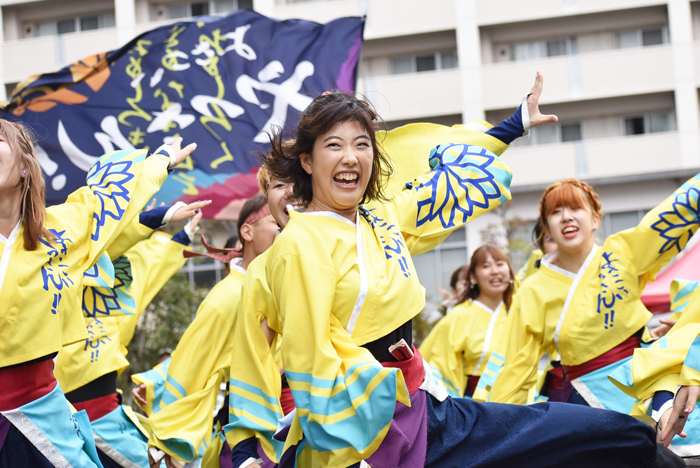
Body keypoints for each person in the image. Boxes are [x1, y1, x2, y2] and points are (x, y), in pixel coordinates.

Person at [231, 78, 683, 468]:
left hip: (422, 406)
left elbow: (456, 181)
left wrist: (513, 125)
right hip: (362, 431)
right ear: (306, 163)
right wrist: (253, 446)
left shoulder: (381, 217)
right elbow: (307, 361)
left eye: (362, 144)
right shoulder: (300, 245)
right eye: (334, 145)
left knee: (590, 433)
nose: (350, 157)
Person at [0, 118, 193, 467]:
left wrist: (161, 160)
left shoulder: (59, 231)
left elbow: (112, 200)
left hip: (42, 412)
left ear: (26, 167)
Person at [490, 173, 700, 415]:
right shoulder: (533, 290)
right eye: (556, 212)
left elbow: (667, 218)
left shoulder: (621, 253)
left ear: (595, 218)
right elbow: (515, 368)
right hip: (588, 399)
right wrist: (497, 424)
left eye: (575, 208)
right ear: (547, 227)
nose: (566, 216)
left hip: (647, 382)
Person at [53, 201, 205, 468]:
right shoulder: (60, 265)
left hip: (103, 410)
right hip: (68, 413)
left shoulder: (121, 278)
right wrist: (151, 218)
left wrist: (178, 234)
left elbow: (148, 264)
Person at [135, 195, 279, 468]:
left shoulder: (287, 284)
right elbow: (194, 358)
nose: (285, 231)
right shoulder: (228, 296)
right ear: (247, 232)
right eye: (276, 223)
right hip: (256, 431)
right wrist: (159, 381)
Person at [420, 245, 514, 400]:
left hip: (519, 398)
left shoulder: (521, 308)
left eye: (500, 264)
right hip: (477, 402)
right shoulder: (458, 315)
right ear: (473, 277)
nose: (495, 271)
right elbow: (440, 362)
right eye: (486, 266)